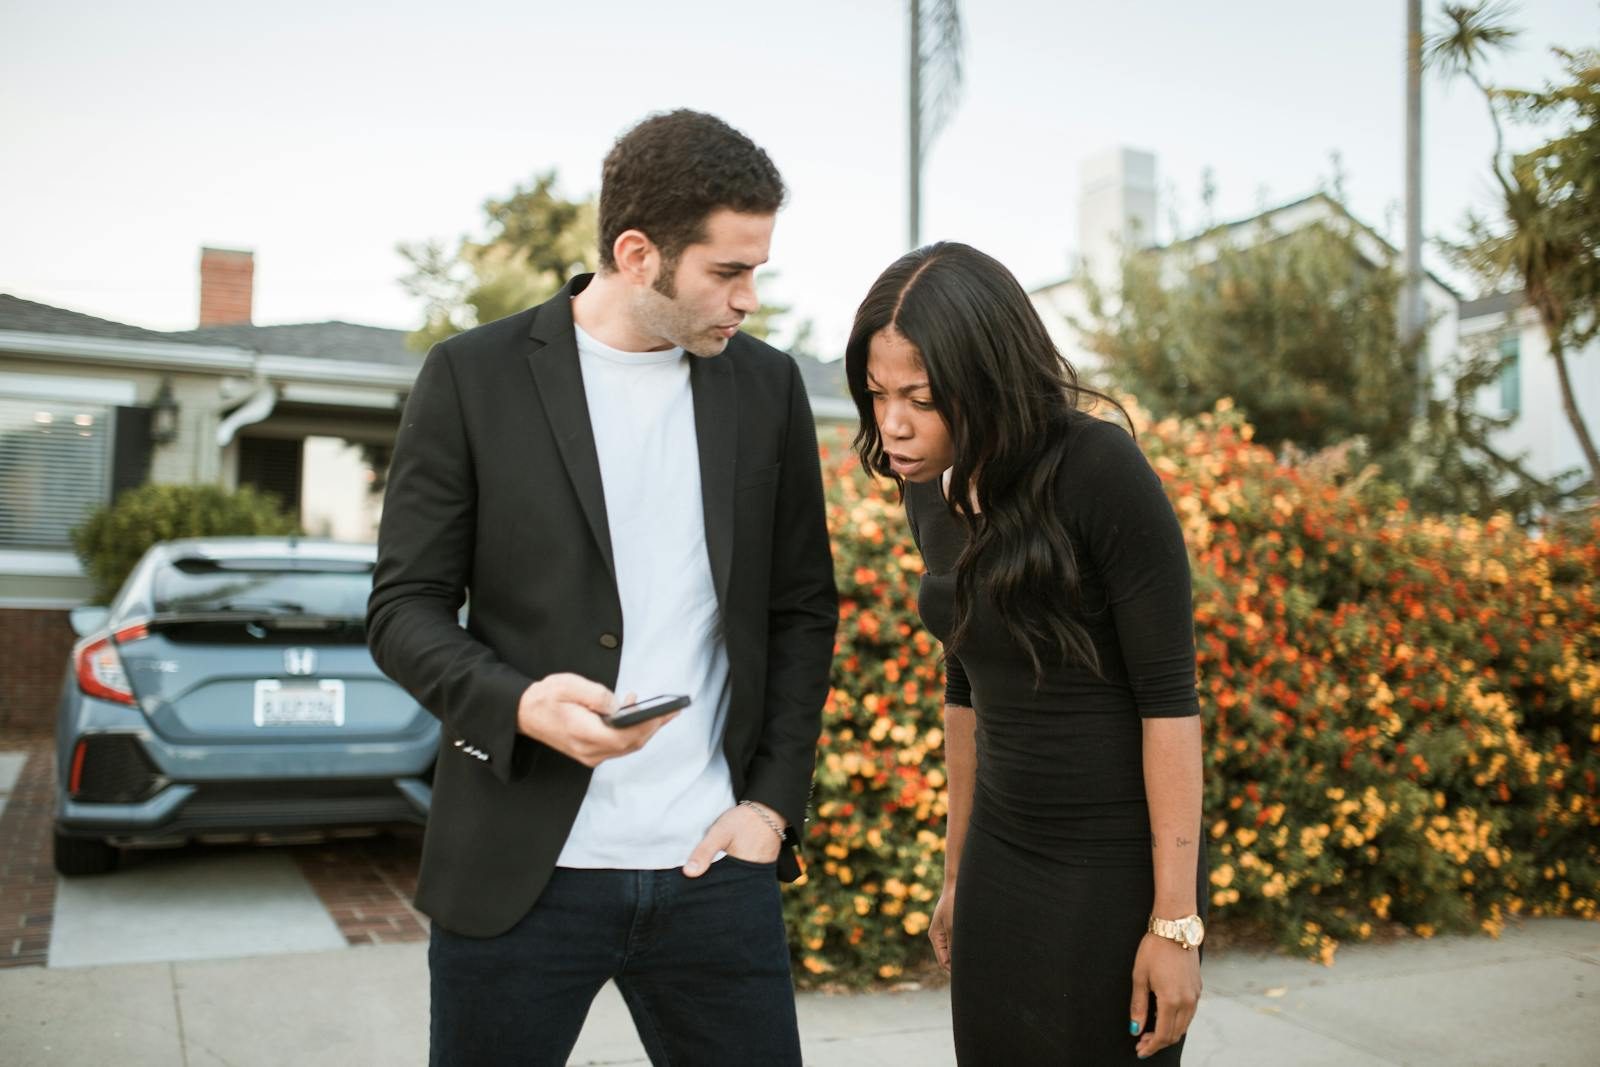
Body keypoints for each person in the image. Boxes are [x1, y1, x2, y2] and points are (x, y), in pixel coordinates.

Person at [367, 110, 838, 1067]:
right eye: (727, 271)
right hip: (520, 871)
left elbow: (801, 609)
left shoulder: (768, 388)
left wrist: (772, 805)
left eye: (759, 270)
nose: (749, 298)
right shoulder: (471, 376)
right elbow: (402, 609)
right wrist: (521, 702)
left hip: (714, 866)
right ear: (636, 253)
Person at [844, 242, 1207, 1063]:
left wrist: (1175, 923)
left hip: (1111, 867)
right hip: (1002, 854)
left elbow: (1170, 703)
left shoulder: (1100, 469)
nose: (892, 423)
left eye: (921, 398)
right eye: (877, 394)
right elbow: (964, 681)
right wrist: (955, 872)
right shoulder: (925, 484)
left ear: (986, 380)